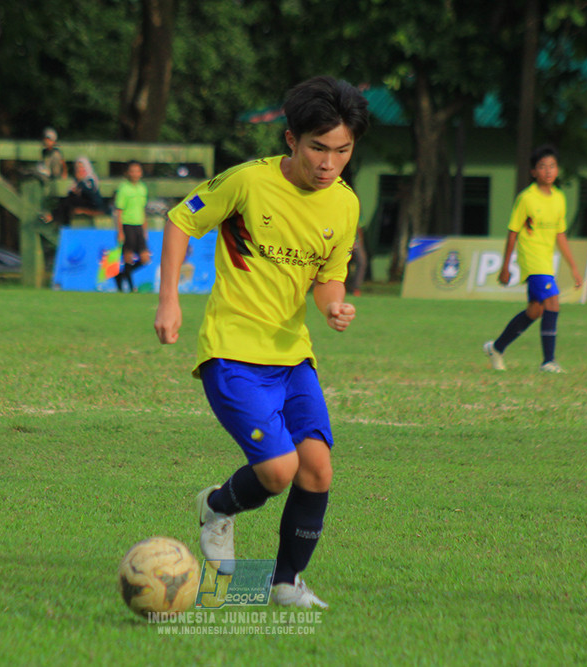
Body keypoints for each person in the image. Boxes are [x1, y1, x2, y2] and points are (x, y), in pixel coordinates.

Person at [154, 76, 370, 609]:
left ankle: (284, 583)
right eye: (318, 148)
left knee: (317, 467)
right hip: (232, 351)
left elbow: (328, 277)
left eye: (342, 151)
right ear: (291, 139)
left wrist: (333, 306)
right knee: (279, 472)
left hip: (293, 356)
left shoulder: (344, 206)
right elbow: (181, 221)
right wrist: (169, 299)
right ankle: (217, 506)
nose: (329, 163)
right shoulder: (248, 183)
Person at [483, 145, 582, 373]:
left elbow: (560, 235)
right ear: (533, 172)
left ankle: (496, 348)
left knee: (535, 311)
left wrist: (574, 268)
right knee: (553, 301)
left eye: (552, 166)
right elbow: (512, 233)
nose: (548, 171)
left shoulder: (559, 198)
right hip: (531, 260)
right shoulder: (526, 198)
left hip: (546, 261)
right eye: (542, 167)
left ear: (557, 170)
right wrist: (505, 266)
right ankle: (548, 361)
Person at [114, 159, 149, 292]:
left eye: (138, 171)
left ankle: (120, 276)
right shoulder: (124, 188)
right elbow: (119, 210)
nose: (135, 174)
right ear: (128, 173)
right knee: (128, 257)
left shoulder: (142, 188)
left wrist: (145, 228)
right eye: (132, 171)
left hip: (139, 226)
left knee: (145, 258)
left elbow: (143, 209)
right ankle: (130, 287)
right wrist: (120, 230)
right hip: (127, 225)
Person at [45, 156, 107, 225]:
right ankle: (56, 219)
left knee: (70, 202)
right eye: (78, 168)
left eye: (82, 167)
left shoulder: (90, 180)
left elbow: (91, 195)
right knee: (67, 202)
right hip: (82, 204)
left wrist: (81, 184)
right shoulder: (76, 182)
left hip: (94, 206)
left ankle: (53, 216)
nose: (80, 170)